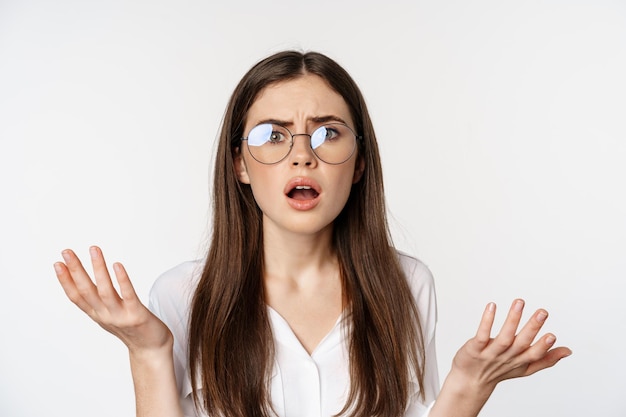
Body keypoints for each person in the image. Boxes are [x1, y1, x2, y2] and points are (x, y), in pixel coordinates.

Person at [54, 50, 571, 417]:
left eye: (329, 133)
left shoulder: (408, 284)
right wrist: (147, 353)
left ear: (361, 162)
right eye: (272, 135)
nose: (302, 154)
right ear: (239, 163)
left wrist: (467, 387)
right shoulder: (182, 295)